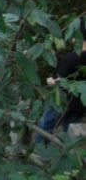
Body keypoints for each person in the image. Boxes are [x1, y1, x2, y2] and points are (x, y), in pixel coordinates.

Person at [36, 16, 86, 144]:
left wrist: (49, 80)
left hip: (62, 101)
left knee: (46, 124)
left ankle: (41, 152)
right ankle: (70, 156)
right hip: (80, 103)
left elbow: (58, 81)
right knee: (70, 128)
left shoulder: (71, 58)